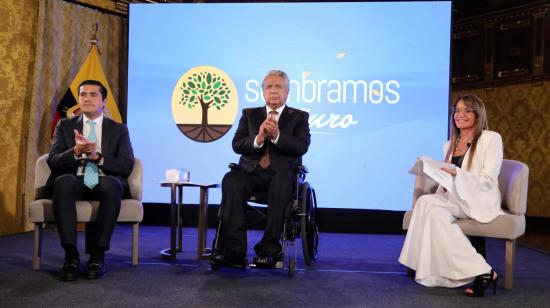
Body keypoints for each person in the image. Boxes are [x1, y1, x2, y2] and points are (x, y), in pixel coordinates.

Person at [399, 94, 502, 297]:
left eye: (466, 110)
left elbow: (488, 179)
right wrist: (434, 169)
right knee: (426, 202)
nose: (460, 115)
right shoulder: (450, 144)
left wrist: (457, 173)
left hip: (479, 197)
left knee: (433, 208)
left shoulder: (491, 138)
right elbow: (448, 178)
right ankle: (477, 269)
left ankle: (481, 271)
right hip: (455, 196)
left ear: (477, 113)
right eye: (457, 111)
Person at [211, 70, 311, 268]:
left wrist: (276, 137)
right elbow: (237, 144)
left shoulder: (299, 117)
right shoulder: (250, 115)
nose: (273, 91)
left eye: (278, 86)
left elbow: (301, 147)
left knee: (282, 182)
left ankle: (268, 250)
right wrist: (258, 138)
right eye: (269, 87)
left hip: (281, 174)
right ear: (263, 92)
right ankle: (234, 251)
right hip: (252, 172)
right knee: (231, 180)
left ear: (287, 92)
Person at [47, 80, 134, 281]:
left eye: (93, 95)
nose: (87, 98)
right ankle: (71, 256)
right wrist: (75, 152)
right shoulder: (65, 125)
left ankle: (97, 255)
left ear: (103, 101)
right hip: (75, 178)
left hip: (104, 179)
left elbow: (126, 165)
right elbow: (53, 161)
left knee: (113, 186)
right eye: (83, 94)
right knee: (63, 183)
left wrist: (98, 157)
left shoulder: (119, 129)